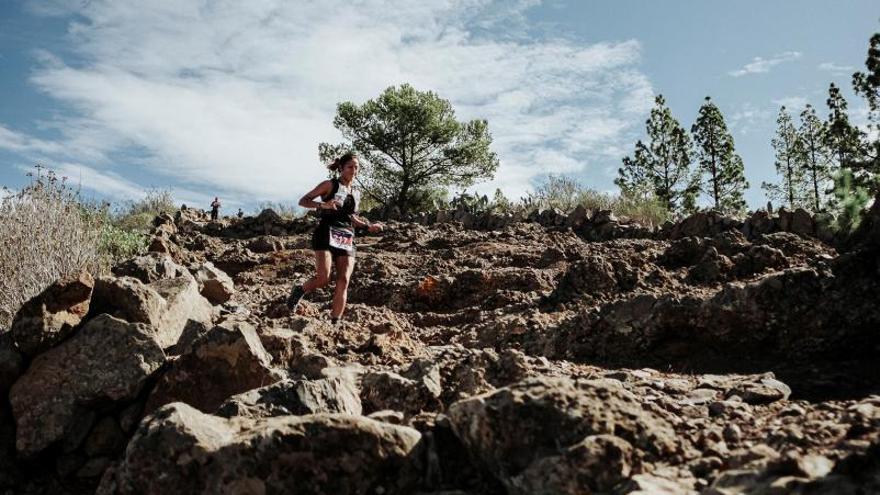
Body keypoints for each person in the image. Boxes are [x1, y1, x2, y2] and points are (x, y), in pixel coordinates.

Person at [287, 152, 383, 324]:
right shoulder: (329, 185)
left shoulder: (356, 193)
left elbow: (351, 218)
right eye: (350, 167)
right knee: (323, 278)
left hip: (346, 235)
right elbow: (303, 200)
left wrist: (369, 226)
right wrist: (322, 205)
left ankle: (335, 322)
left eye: (357, 167)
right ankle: (299, 290)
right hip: (325, 232)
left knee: (344, 279)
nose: (354, 170)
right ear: (341, 168)